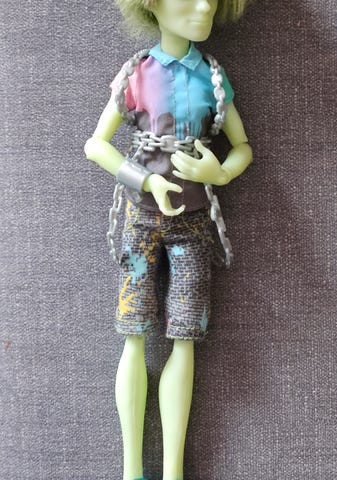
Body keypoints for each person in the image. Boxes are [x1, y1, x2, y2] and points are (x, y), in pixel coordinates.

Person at [84, 1, 252, 479]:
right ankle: (131, 469)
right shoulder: (136, 73)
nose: (204, 6)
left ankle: (173, 471)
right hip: (141, 219)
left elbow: (242, 147)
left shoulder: (213, 78)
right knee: (133, 334)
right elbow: (95, 144)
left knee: (185, 337)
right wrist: (145, 180)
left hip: (193, 224)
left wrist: (217, 172)